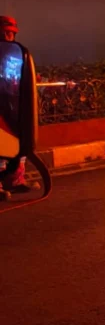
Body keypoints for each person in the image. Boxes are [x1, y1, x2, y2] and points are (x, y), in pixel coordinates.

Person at [0, 16, 30, 198]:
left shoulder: (16, 53)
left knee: (18, 143)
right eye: (4, 32)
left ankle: (14, 181)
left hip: (12, 104)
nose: (7, 35)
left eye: (10, 32)